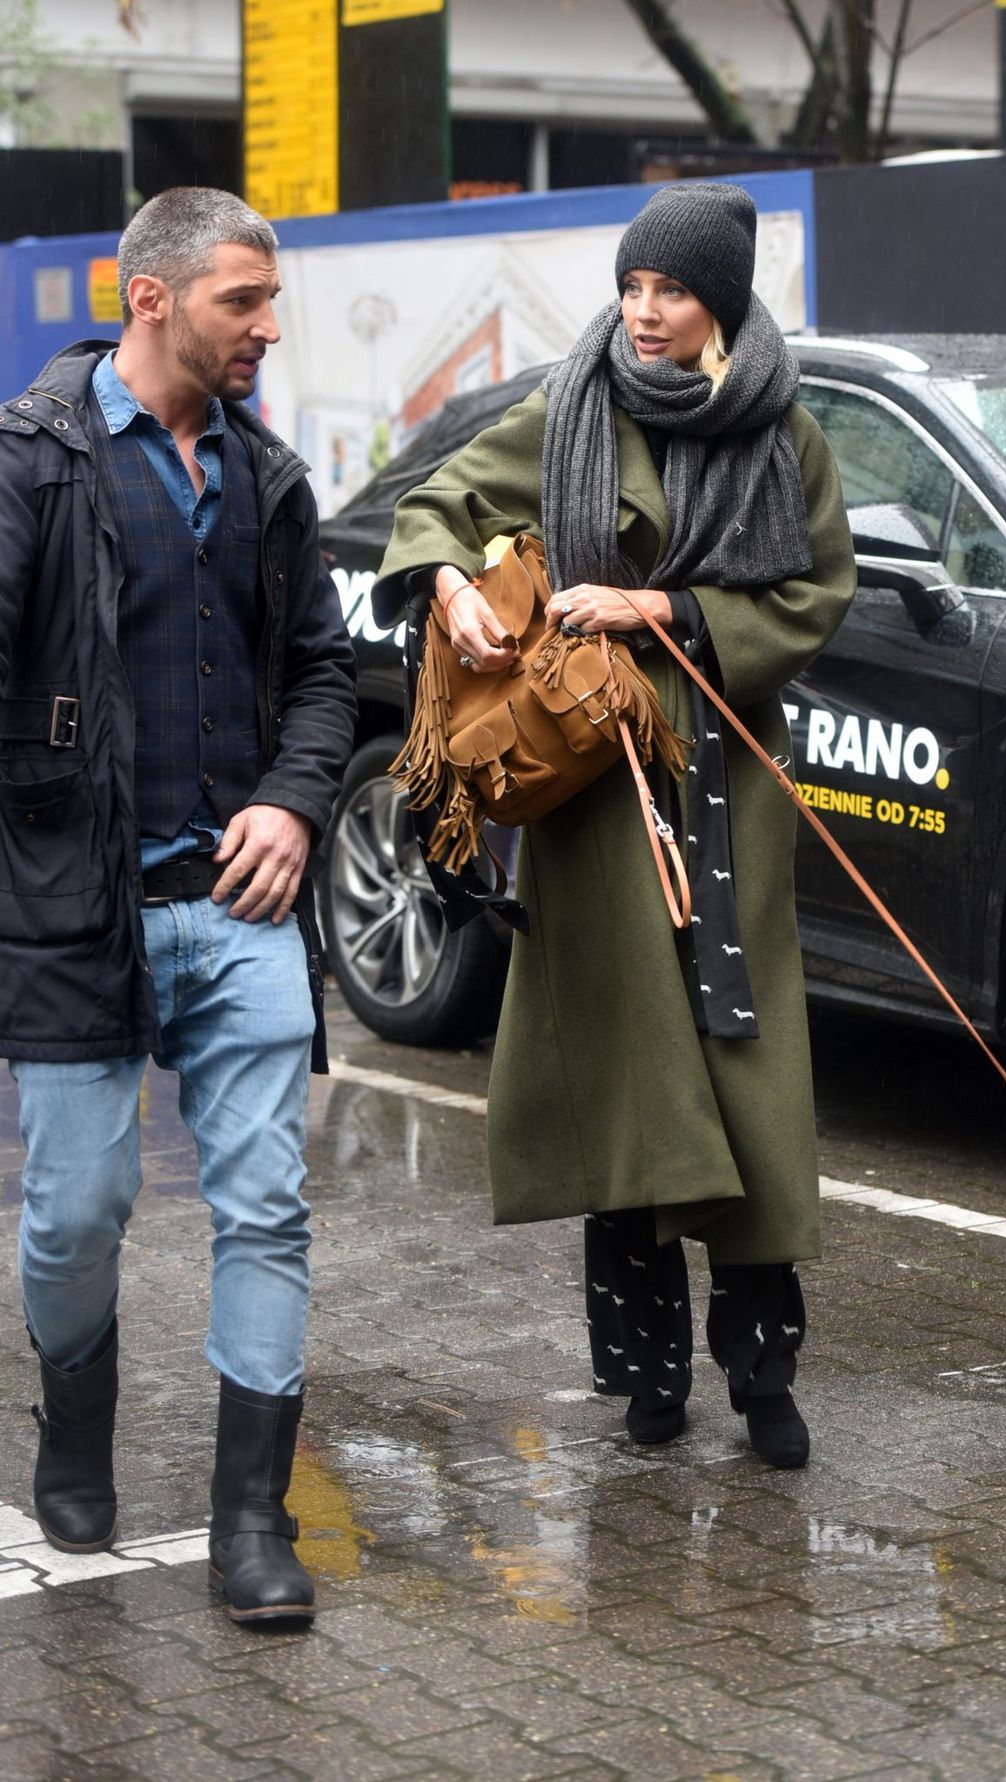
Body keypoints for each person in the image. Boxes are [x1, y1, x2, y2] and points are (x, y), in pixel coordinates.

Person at [374, 181, 855, 1468]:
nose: (642, 313)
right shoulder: (569, 404)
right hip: (597, 799)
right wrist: (448, 585)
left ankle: (764, 1380)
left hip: (727, 789)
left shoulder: (782, 434)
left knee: (748, 1085)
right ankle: (646, 1383)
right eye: (631, 287)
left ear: (721, 304)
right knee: (629, 1082)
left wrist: (672, 613)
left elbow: (817, 594)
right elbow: (433, 505)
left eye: (671, 292)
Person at [0, 188, 357, 1621]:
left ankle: (250, 1522)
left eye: (273, 302)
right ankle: (72, 1427)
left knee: (266, 1208)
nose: (268, 326)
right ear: (153, 298)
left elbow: (326, 676)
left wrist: (295, 799)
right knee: (76, 1210)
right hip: (80, 907)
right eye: (240, 301)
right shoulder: (32, 464)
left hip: (245, 905)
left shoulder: (271, 482)